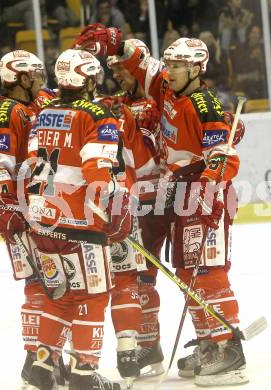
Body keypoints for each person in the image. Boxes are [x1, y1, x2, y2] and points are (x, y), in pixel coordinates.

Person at [74, 26, 248, 386]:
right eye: (168, 63)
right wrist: (115, 44)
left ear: (196, 69)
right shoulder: (166, 88)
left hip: (201, 192)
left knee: (206, 272)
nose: (168, 70)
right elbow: (142, 62)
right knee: (187, 270)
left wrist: (210, 186)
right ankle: (207, 344)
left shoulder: (204, 104)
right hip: (178, 190)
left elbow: (222, 155)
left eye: (177, 65)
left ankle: (229, 351)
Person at [23, 48, 132, 390]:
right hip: (80, 223)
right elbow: (98, 172)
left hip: (43, 218)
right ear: (86, 78)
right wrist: (111, 213)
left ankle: (42, 367)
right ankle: (85, 374)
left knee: (62, 296)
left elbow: (30, 164)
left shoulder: (43, 113)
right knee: (94, 296)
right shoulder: (98, 116)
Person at [0, 50, 59, 388]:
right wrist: (8, 206)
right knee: (38, 285)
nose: (41, 80)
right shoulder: (3, 111)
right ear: (21, 78)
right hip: (19, 213)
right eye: (35, 74)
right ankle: (34, 361)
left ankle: (47, 358)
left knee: (55, 283)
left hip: (43, 209)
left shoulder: (36, 101)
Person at [105, 39, 167, 378]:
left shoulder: (154, 101)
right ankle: (149, 344)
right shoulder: (122, 103)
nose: (116, 76)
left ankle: (211, 340)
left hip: (158, 196)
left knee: (185, 272)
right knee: (142, 276)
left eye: (121, 70)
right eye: (112, 71)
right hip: (139, 196)